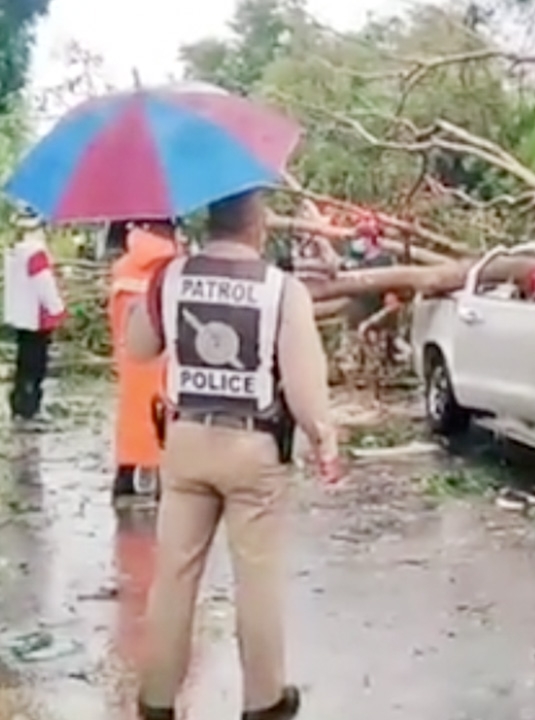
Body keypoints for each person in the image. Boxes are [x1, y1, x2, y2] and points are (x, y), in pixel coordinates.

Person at [126, 189, 341, 720]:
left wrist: (148, 298)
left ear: (210, 220)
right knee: (257, 579)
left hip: (187, 442)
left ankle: (156, 702)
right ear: (258, 224)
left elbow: (138, 347)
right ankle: (264, 702)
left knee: (174, 577)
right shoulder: (281, 290)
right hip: (254, 446)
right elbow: (303, 383)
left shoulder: (168, 278)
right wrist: (323, 436)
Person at [108, 219, 181, 505]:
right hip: (165, 360)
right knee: (165, 422)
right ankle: (164, 487)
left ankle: (124, 479)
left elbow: (114, 316)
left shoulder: (122, 268)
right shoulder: (173, 269)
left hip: (130, 358)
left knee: (131, 418)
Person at [3, 212, 66, 426]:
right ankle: (31, 409)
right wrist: (57, 308)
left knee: (23, 363)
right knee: (36, 365)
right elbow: (44, 285)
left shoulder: (14, 251)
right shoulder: (36, 253)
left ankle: (18, 404)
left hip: (19, 315)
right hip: (36, 317)